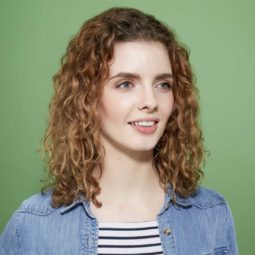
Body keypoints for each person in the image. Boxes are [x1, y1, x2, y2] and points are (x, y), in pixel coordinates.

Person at [0, 7, 239, 255]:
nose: (151, 101)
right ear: (88, 97)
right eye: (126, 84)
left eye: (163, 84)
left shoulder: (212, 214)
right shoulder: (31, 225)